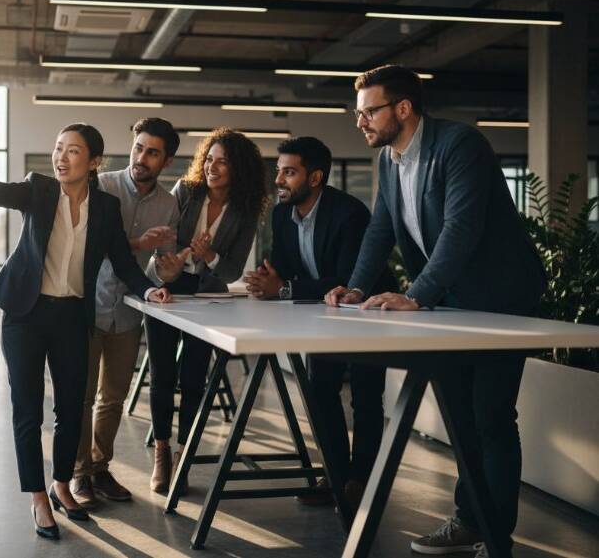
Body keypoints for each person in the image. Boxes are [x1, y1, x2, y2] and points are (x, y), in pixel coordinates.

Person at [325, 65, 546, 558]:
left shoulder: (459, 145)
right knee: (462, 417)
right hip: (452, 300)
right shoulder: (388, 159)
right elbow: (381, 228)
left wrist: (417, 294)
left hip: (499, 298)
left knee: (490, 416)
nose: (359, 121)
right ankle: (471, 521)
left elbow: (460, 228)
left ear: (403, 108)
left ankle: (495, 537)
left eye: (368, 111)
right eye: (357, 113)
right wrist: (358, 287)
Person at [0, 123, 172, 541]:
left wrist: (150, 289)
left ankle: (61, 485)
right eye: (58, 148)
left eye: (73, 151)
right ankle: (38, 497)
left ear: (93, 163)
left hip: (72, 316)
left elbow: (123, 262)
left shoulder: (105, 208)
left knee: (72, 409)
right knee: (28, 409)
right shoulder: (38, 189)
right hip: (25, 316)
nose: (61, 157)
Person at [242, 136, 395, 512]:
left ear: (315, 177)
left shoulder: (349, 214)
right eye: (278, 171)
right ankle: (336, 477)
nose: (279, 180)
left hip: (368, 314)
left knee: (365, 397)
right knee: (321, 391)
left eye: (289, 172)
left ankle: (362, 481)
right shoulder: (281, 214)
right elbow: (282, 266)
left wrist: (285, 287)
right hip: (321, 316)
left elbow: (346, 279)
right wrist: (268, 280)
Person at [147, 127, 268, 495]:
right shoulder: (186, 191)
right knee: (162, 371)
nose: (213, 167)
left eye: (224, 161)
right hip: (169, 288)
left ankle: (185, 453)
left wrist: (209, 254)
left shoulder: (246, 209)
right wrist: (177, 258)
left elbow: (231, 270)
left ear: (239, 168)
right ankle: (162, 452)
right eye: (210, 159)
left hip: (206, 296)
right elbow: (162, 242)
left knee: (194, 377)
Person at [70, 118, 181, 509]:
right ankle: (79, 473)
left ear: (166, 161)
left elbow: (155, 267)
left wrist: (167, 270)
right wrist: (136, 242)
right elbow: (84, 245)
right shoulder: (102, 185)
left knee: (113, 398)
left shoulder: (169, 204)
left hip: (130, 312)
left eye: (152, 152)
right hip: (89, 305)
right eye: (138, 147)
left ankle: (100, 467)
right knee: (81, 397)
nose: (141, 158)